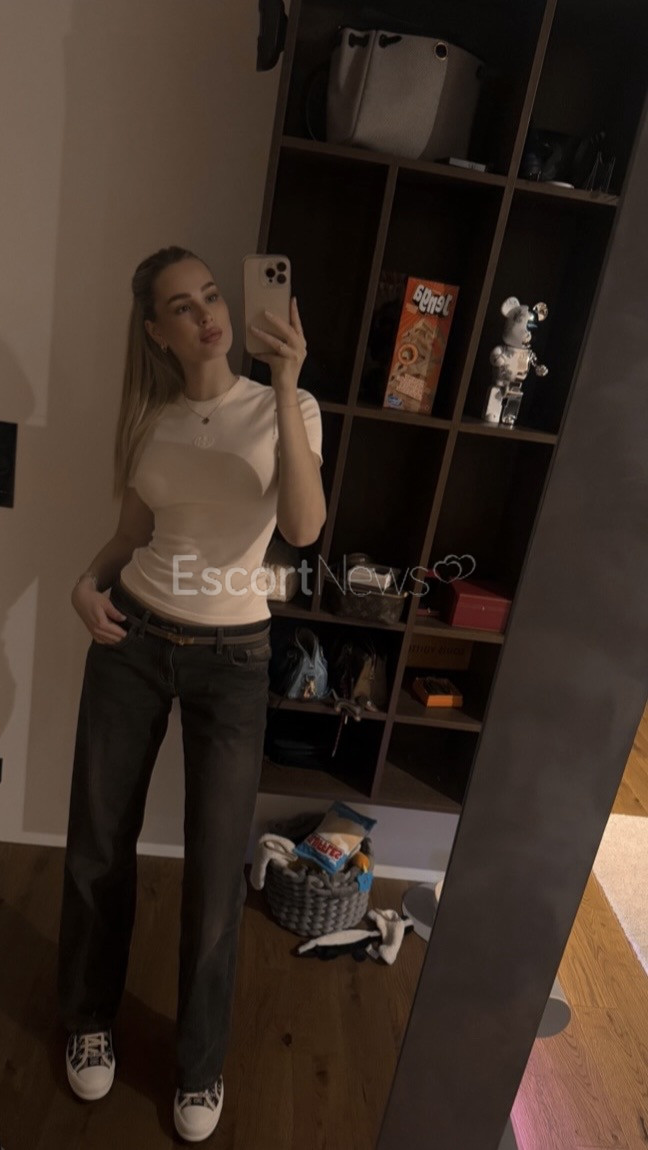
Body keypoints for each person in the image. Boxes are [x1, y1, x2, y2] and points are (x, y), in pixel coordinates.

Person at [57, 245, 326, 1142]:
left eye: (212, 295)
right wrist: (83, 585)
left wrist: (284, 382)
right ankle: (87, 1021)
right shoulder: (151, 419)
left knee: (214, 873)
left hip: (234, 658)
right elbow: (130, 534)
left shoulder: (288, 407)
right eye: (183, 306)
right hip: (132, 638)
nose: (208, 314)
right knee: (99, 846)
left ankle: (199, 1067)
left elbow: (303, 526)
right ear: (156, 332)